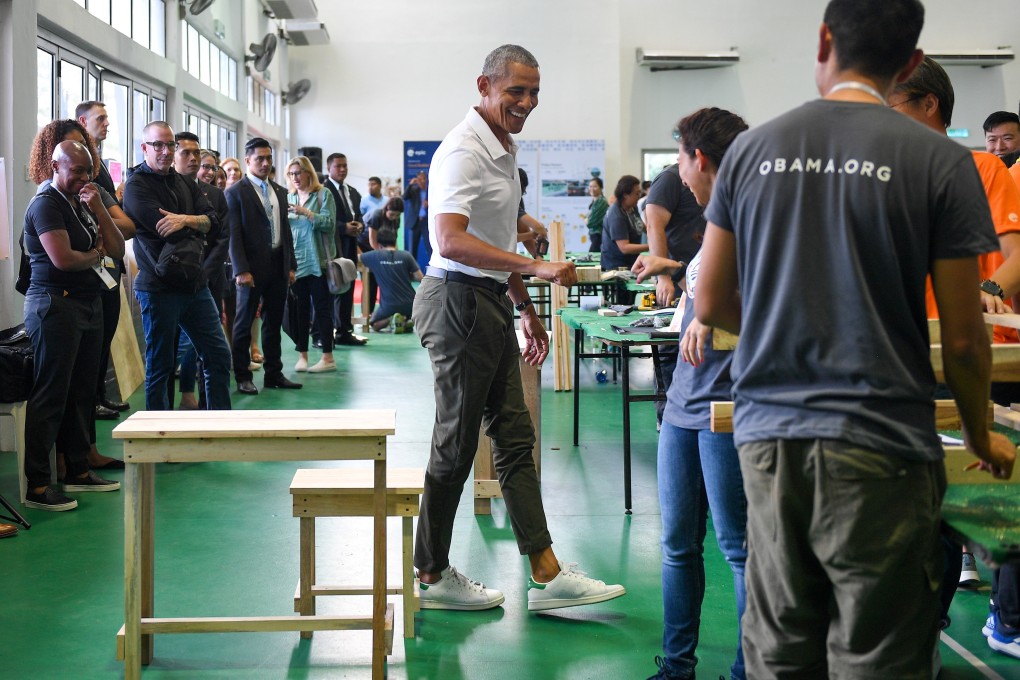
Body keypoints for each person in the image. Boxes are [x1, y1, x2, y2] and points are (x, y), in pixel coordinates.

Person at [693, 1, 1015, 676]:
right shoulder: (941, 161)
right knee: (876, 654)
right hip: (882, 444)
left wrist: (786, 330)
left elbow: (714, 296)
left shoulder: (754, 149)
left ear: (822, 40)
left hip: (771, 436)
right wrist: (982, 433)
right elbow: (963, 338)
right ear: (907, 64)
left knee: (781, 648)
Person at [414, 43, 625, 613]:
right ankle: (429, 574)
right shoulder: (464, 149)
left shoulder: (502, 145)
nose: (527, 102)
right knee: (456, 445)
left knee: (514, 437)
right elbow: (450, 241)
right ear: (484, 85)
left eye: (534, 93)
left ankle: (546, 571)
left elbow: (496, 236)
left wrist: (525, 307)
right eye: (516, 91)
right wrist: (534, 268)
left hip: (485, 303)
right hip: (456, 303)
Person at [888, 56, 1020, 661]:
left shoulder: (983, 167)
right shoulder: (884, 172)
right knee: (921, 502)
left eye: (892, 106)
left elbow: (1013, 252)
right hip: (908, 357)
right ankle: (923, 626)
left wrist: (990, 293)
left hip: (975, 355)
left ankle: (1004, 615)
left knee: (982, 494)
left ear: (929, 105)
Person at [631, 107, 749, 680]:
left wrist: (713, 319)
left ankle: (749, 669)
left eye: (680, 159)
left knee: (738, 547)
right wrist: (675, 274)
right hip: (683, 405)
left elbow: (773, 311)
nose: (677, 172)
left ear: (699, 159)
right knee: (678, 543)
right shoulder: (714, 224)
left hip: (727, 409)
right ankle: (677, 666)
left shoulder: (753, 218)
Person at [22, 140, 126, 510]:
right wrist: (95, 252)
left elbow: (117, 248)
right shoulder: (46, 204)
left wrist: (99, 206)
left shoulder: (85, 199)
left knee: (84, 390)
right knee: (51, 394)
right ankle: (37, 485)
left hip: (88, 303)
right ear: (54, 165)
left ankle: (78, 470)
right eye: (76, 170)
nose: (83, 177)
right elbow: (63, 259)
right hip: (55, 306)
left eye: (88, 171)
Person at [122, 122, 232, 412]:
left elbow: (215, 222)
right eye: (158, 145)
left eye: (170, 145)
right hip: (159, 289)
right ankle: (161, 438)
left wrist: (186, 220)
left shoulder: (184, 182)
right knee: (161, 368)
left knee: (218, 356)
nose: (165, 151)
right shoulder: (136, 185)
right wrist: (196, 223)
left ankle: (221, 427)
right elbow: (165, 230)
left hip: (195, 285)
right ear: (144, 148)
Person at [227, 137, 300, 394]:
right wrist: (241, 270)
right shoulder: (235, 192)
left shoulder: (279, 190)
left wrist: (291, 265)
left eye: (269, 158)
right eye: (260, 158)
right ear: (248, 160)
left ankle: (274, 373)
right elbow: (233, 235)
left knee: (273, 322)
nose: (266, 163)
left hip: (278, 264)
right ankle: (243, 376)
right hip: (250, 269)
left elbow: (286, 231)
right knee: (244, 323)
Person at [76, 100, 131, 421]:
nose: (107, 123)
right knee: (91, 347)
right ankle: (92, 400)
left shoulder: (101, 167)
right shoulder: (58, 193)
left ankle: (98, 395)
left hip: (109, 268)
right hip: (88, 275)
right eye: (101, 118)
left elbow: (124, 226)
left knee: (103, 337)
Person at [173, 132, 231, 410]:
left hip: (209, 276)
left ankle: (212, 405)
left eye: (210, 166)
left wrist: (205, 271)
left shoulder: (217, 196)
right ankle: (186, 394)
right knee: (185, 344)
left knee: (211, 346)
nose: (205, 169)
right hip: (180, 276)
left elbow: (221, 236)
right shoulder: (173, 189)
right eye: (202, 163)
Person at [285, 155, 338, 373]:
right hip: (297, 263)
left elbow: (329, 223)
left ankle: (328, 357)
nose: (295, 178)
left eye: (298, 172)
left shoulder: (323, 194)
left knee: (322, 310)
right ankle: (303, 355)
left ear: (309, 173)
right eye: (291, 174)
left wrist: (306, 212)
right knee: (300, 311)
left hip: (319, 262)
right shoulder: (290, 197)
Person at [323, 152, 369, 346]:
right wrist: (343, 228)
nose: (342, 169)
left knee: (347, 287)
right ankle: (326, 333)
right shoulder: (323, 191)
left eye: (345, 166)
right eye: (338, 166)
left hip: (350, 247)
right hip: (332, 247)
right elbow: (324, 219)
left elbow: (358, 215)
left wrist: (359, 225)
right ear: (329, 169)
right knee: (330, 289)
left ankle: (344, 331)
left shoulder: (352, 191)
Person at [361, 204, 422, 332]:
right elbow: (420, 278)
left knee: (374, 324)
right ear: (395, 242)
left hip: (389, 306)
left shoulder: (375, 256)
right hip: (412, 304)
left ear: (380, 245)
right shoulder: (406, 255)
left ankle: (391, 320)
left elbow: (356, 258)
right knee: (411, 312)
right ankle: (406, 320)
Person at [600, 174, 648, 271]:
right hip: (616, 266)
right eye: (637, 193)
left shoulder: (632, 208)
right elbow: (624, 248)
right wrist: (651, 246)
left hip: (631, 261)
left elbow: (641, 226)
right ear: (626, 195)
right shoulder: (616, 216)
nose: (639, 197)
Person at [403, 170, 430, 261]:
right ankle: (412, 273)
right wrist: (410, 185)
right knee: (412, 249)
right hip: (415, 222)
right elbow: (404, 197)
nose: (422, 180)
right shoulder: (414, 190)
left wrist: (431, 203)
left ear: (426, 179)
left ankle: (433, 271)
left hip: (427, 222)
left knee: (430, 248)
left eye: (423, 178)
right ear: (416, 180)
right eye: (419, 178)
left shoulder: (431, 190)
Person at [585, 177, 607, 253]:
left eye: (595, 186)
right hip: (594, 235)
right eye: (590, 186)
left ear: (601, 188)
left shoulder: (601, 201)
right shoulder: (595, 201)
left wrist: (587, 220)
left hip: (599, 235)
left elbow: (590, 222)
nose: (592, 189)